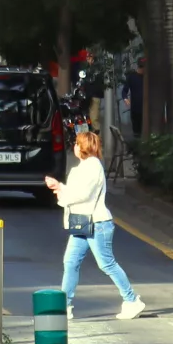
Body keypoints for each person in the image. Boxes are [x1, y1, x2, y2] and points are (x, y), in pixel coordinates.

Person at [44, 130, 146, 320]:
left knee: (107, 263)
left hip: (97, 223)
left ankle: (132, 300)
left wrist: (61, 192)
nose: (74, 146)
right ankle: (65, 306)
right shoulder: (83, 167)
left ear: (83, 147)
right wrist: (59, 187)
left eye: (77, 143)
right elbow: (76, 192)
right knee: (70, 262)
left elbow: (83, 195)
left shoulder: (93, 166)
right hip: (82, 222)